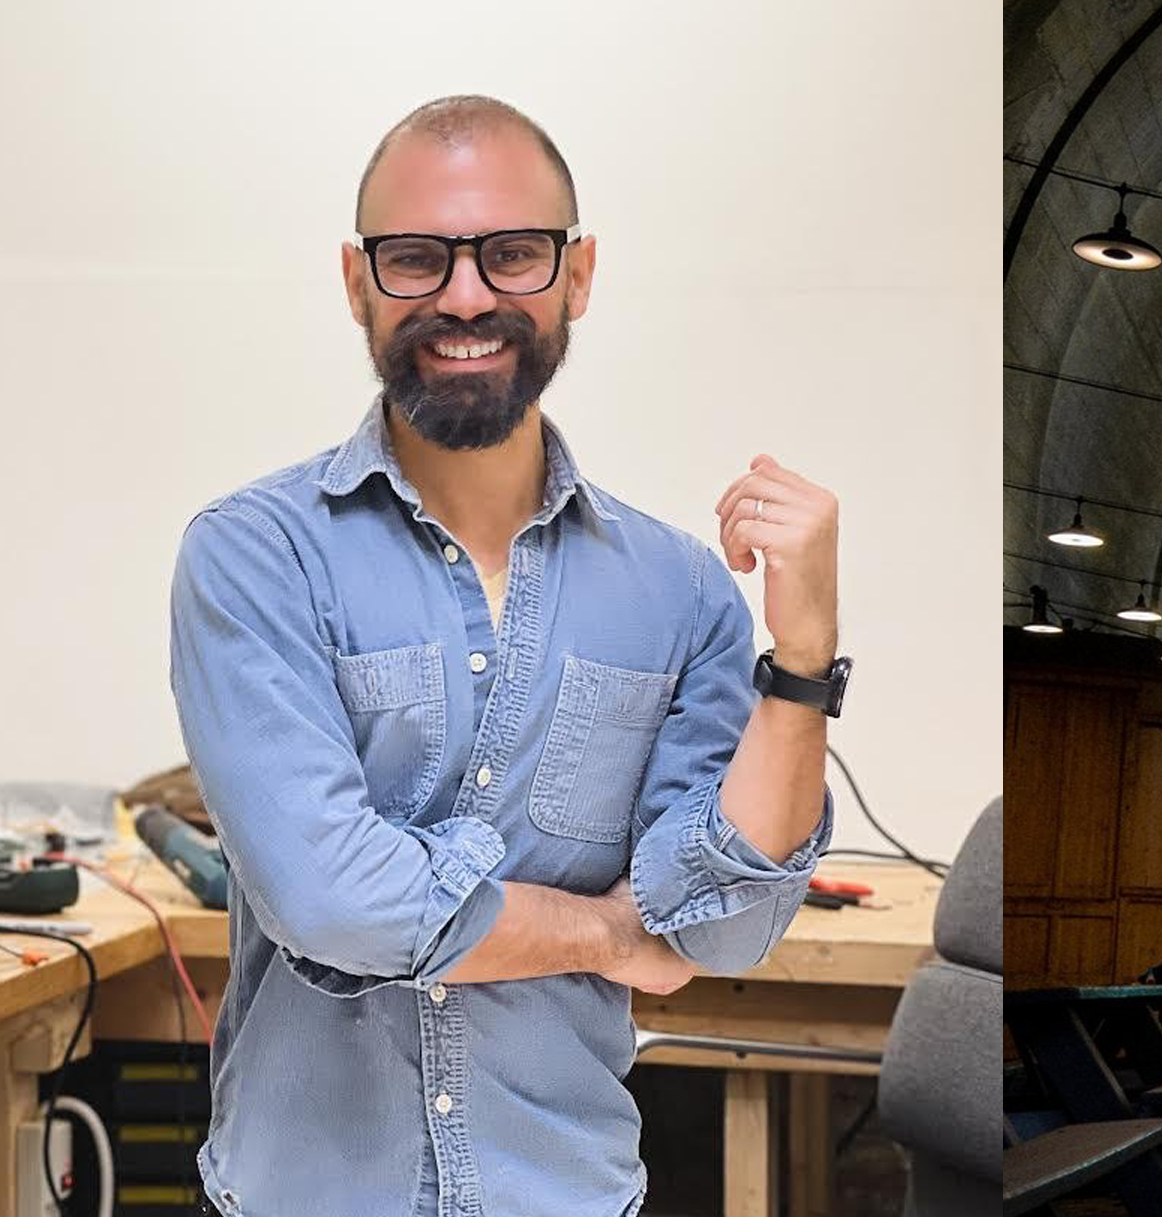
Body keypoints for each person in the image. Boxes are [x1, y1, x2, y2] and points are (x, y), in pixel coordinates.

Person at [168, 96, 846, 1217]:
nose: (467, 294)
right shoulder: (253, 555)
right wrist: (606, 929)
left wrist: (804, 656)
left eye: (514, 254)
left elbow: (720, 925)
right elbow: (330, 898)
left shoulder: (681, 593)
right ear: (356, 282)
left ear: (576, 276)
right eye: (418, 257)